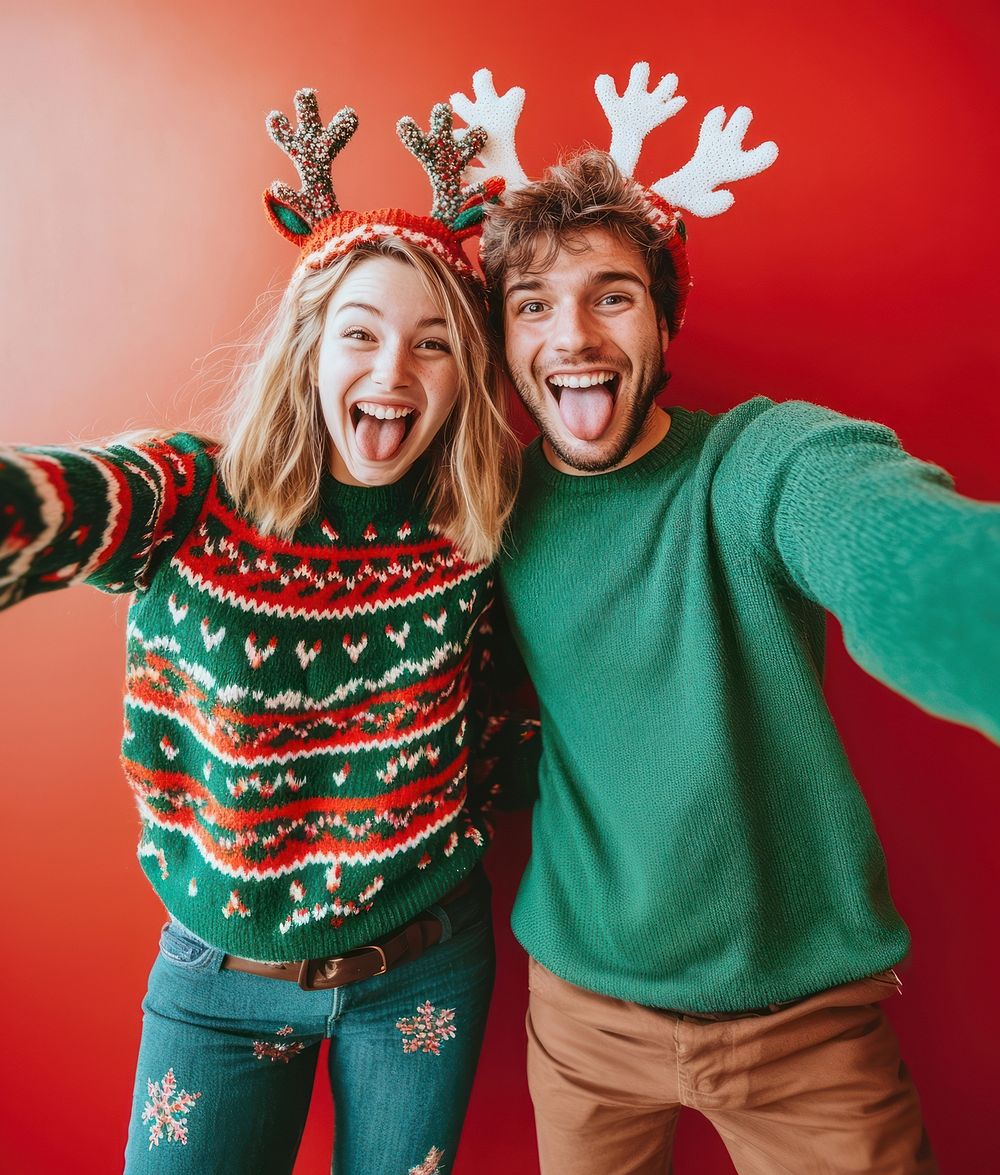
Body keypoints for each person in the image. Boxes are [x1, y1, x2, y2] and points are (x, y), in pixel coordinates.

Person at [0, 88, 534, 1175]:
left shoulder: (478, 533)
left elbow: (515, 728)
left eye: (434, 344)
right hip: (217, 981)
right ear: (308, 347)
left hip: (424, 971)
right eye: (362, 334)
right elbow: (57, 500)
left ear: (466, 377)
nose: (393, 372)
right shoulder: (193, 495)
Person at [476, 92, 1000, 1175]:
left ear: (665, 320)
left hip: (804, 1028)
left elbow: (889, 539)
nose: (570, 333)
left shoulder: (758, 459)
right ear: (503, 338)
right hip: (581, 1023)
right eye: (531, 304)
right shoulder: (491, 513)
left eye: (610, 295)